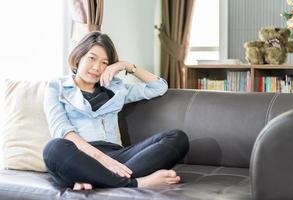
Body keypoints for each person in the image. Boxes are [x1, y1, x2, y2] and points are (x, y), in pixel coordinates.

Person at [42, 31, 189, 190]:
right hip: (81, 156)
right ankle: (137, 183)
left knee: (177, 137)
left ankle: (91, 180)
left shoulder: (117, 89)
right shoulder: (57, 87)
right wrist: (101, 158)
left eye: (105, 62)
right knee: (53, 149)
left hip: (119, 157)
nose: (97, 67)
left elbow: (159, 87)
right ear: (78, 57)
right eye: (91, 58)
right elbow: (62, 130)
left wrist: (126, 65)